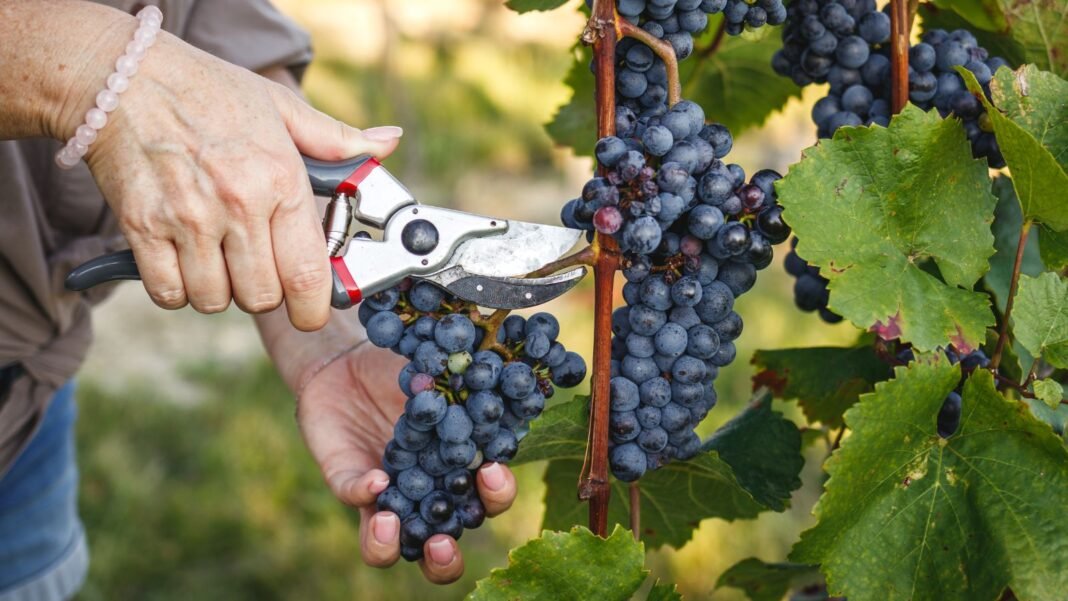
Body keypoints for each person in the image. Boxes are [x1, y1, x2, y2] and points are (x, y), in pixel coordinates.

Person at [0, 1, 517, 597]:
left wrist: (328, 346)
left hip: (26, 426)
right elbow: (143, 77)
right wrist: (99, 71)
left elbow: (210, 25)